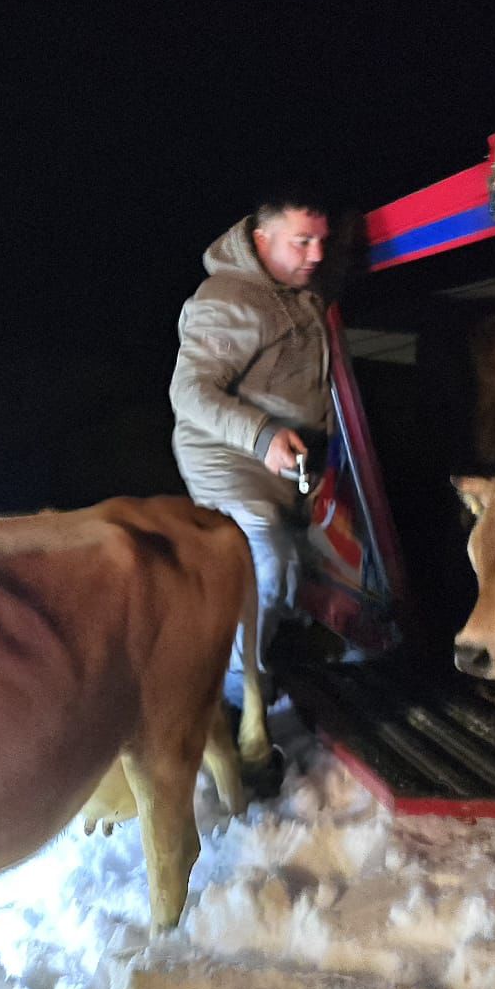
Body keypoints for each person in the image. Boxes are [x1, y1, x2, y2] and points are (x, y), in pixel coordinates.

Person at [169, 190, 334, 706]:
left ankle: (275, 651)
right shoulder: (228, 298)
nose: (317, 255)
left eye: (322, 241)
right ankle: (239, 699)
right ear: (262, 241)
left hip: (286, 463)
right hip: (228, 459)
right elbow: (189, 391)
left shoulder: (295, 290)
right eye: (302, 241)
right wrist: (260, 436)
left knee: (302, 561)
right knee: (265, 557)